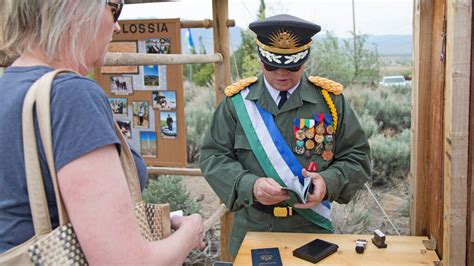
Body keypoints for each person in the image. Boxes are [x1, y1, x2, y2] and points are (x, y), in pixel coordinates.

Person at [0, 0, 205, 264]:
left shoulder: (9, 86)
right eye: (114, 8)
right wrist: (189, 233)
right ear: (75, 8)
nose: (118, 26)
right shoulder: (69, 95)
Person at [200, 14, 371, 257]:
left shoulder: (330, 102)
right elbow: (213, 156)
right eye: (272, 65)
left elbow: (358, 156)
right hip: (253, 228)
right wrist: (250, 185)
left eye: (292, 66)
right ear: (261, 59)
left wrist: (328, 182)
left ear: (305, 60)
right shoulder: (238, 103)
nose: (282, 74)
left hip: (311, 229)